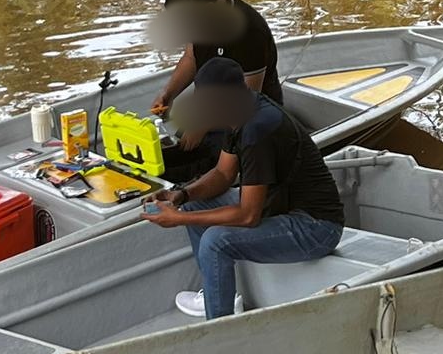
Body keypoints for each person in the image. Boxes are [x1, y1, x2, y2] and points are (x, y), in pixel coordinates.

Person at [139, 56, 342, 318]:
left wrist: (179, 218)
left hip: (315, 227)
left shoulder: (258, 131)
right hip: (279, 208)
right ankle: (219, 295)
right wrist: (180, 196)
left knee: (215, 241)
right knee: (195, 202)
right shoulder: (242, 113)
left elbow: (248, 215)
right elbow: (223, 174)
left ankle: (220, 324)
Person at [144, 0, 280, 116]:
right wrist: (168, 94)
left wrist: (202, 127)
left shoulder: (250, 32)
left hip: (252, 114)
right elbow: (191, 58)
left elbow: (248, 99)